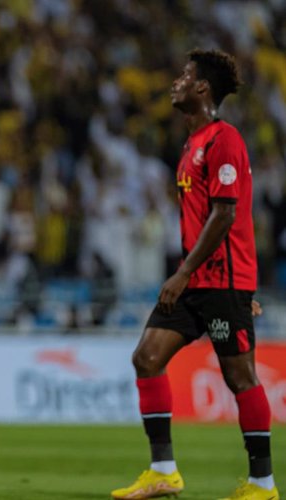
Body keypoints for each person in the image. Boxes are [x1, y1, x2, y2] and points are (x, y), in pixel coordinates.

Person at [111, 49, 278, 500]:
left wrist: (193, 276)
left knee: (240, 377)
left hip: (218, 279)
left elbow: (225, 214)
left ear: (202, 88)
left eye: (184, 76)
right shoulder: (191, 145)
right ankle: (163, 472)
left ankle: (263, 484)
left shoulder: (225, 139)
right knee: (146, 357)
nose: (176, 82)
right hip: (199, 280)